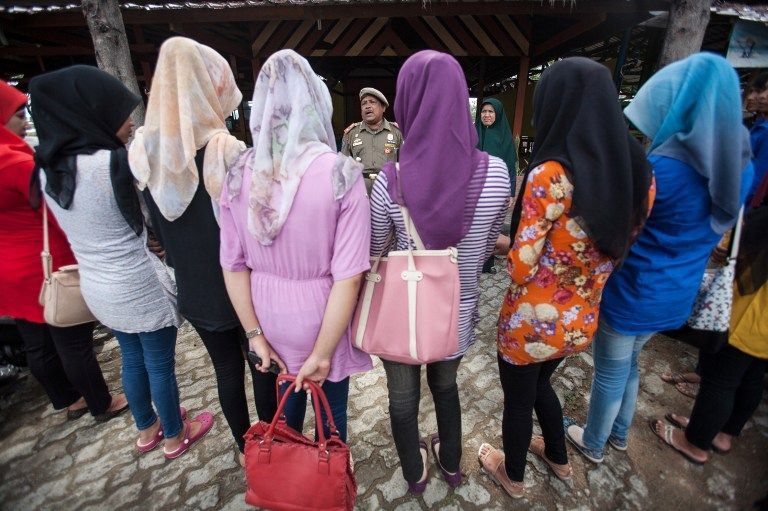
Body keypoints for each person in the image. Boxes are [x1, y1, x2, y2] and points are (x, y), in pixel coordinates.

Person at [565, 53, 754, 464]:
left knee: (612, 372)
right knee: (631, 364)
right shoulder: (739, 165)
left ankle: (593, 443)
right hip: (677, 293)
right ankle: (617, 434)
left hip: (633, 290)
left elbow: (618, 228)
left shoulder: (666, 169)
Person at [478, 57, 653, 499]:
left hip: (530, 325)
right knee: (541, 386)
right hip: (581, 322)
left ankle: (511, 474)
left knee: (519, 399)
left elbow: (520, 265)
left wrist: (501, 243)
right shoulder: (640, 174)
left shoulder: (551, 175)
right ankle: (558, 456)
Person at [29, 65, 214, 459]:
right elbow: (154, 214)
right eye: (120, 114)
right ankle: (174, 436)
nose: (130, 122)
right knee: (160, 364)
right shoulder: (113, 163)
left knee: (131, 356)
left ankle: (146, 429)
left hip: (97, 284)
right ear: (90, 115)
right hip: (137, 283)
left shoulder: (47, 172)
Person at [128, 37, 276, 466]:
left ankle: (246, 449)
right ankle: (272, 446)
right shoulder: (225, 148)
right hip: (239, 285)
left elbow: (152, 224)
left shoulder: (143, 150)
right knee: (260, 365)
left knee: (226, 370)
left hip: (192, 286)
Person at [370, 50, 510, 494]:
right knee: (446, 388)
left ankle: (413, 474)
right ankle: (451, 463)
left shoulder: (388, 181)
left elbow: (376, 251)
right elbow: (489, 245)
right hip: (459, 307)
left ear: (407, 102)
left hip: (402, 310)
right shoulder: (498, 175)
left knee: (402, 398)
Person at [220, 49, 372, 443]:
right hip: (324, 319)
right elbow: (349, 276)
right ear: (316, 102)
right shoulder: (342, 172)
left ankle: (288, 483)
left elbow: (233, 264)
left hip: (268, 320)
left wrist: (254, 334)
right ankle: (327, 483)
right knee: (331, 417)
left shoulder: (237, 173)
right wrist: (321, 353)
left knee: (286, 416)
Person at [0, 80, 127, 422]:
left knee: (36, 342)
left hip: (8, 266)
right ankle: (101, 402)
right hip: (43, 261)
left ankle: (68, 400)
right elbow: (56, 209)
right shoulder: (14, 162)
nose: (25, 121)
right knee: (71, 337)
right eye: (17, 114)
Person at [653, 163, 767, 465]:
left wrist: (725, 245)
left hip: (751, 314)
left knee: (721, 379)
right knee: (753, 375)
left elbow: (737, 245)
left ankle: (695, 442)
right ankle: (724, 434)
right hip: (763, 327)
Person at [476, 98, 519, 273]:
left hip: (495, 191)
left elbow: (510, 165)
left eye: (491, 112)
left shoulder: (504, 136)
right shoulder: (473, 133)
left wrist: (511, 192)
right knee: (474, 226)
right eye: (484, 111)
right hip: (474, 189)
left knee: (491, 226)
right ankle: (471, 262)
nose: (487, 115)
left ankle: (487, 262)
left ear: (498, 114)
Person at [340, 87, 403, 181]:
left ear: (383, 107)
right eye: (363, 103)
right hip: (360, 187)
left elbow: (407, 162)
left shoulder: (396, 132)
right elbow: (342, 165)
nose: (367, 106)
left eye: (372, 102)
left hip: (388, 186)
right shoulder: (351, 133)